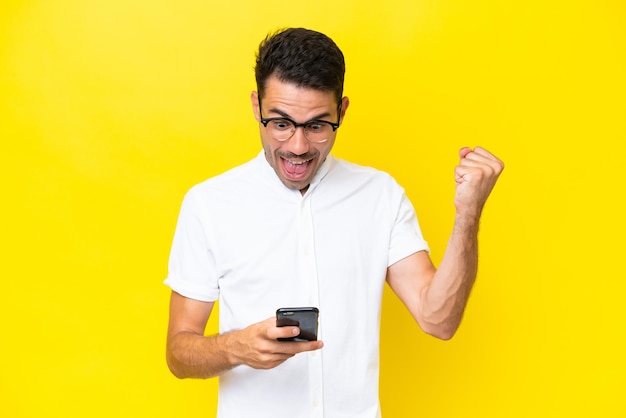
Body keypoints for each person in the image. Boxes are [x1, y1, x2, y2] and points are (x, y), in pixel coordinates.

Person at [164, 27, 504, 418]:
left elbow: (438, 318)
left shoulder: (380, 195)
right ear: (257, 106)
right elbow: (178, 353)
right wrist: (235, 347)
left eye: (316, 126)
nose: (297, 146)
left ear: (341, 112)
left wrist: (469, 214)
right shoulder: (209, 204)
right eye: (280, 123)